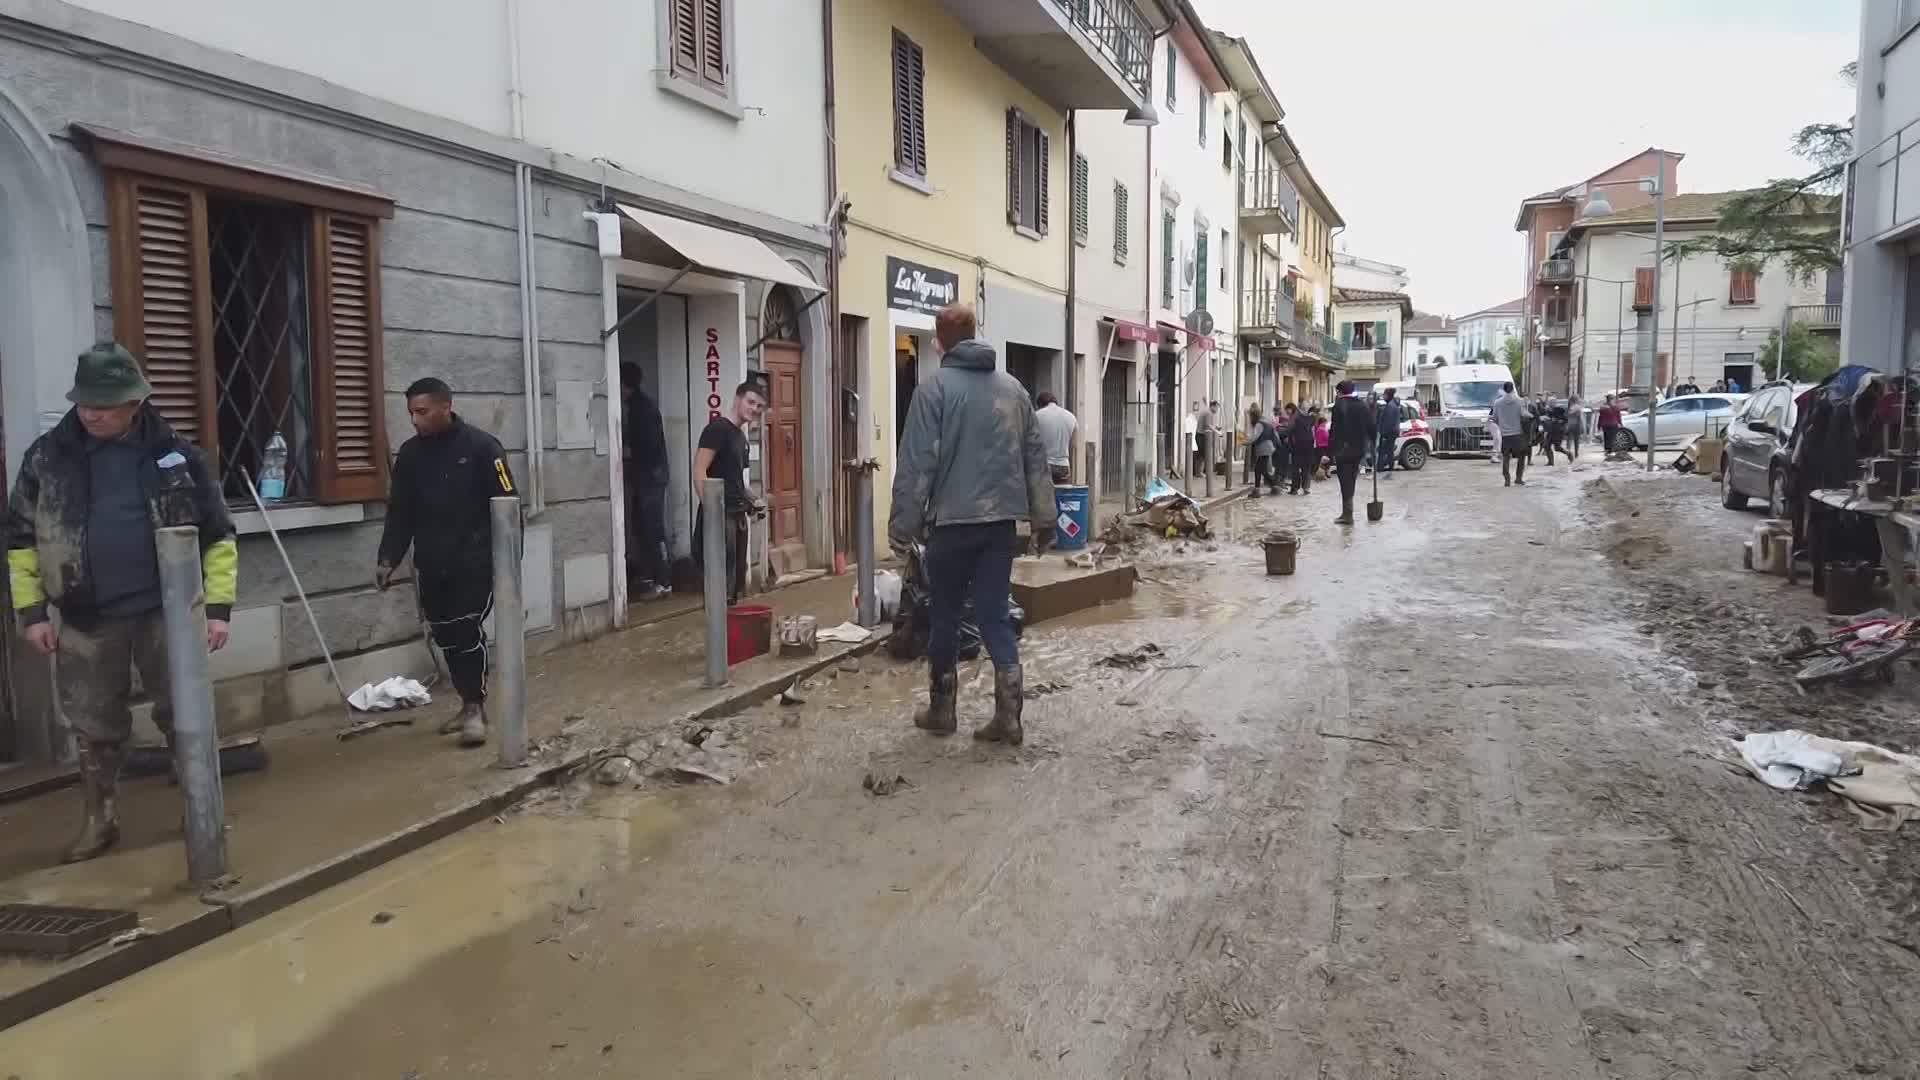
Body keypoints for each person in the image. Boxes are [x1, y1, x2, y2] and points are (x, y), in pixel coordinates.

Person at [7, 343, 237, 863]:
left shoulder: (177, 457)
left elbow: (219, 536)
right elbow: (19, 540)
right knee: (91, 721)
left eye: (105, 404)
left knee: (184, 711)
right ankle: (100, 817)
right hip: (87, 617)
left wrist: (217, 609)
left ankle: (201, 808)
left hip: (168, 615)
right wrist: (33, 613)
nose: (92, 412)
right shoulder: (47, 459)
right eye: (86, 401)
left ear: (136, 402)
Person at [890, 303, 1053, 746]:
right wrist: (1044, 519)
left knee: (943, 613)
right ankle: (1008, 717)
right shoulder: (1014, 390)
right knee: (995, 613)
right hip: (1001, 524)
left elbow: (915, 465)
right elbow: (1034, 458)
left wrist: (901, 530)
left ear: (939, 341)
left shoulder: (933, 390)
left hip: (951, 525)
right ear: (975, 333)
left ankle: (943, 709)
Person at [378, 378, 519, 748]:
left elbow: (508, 506)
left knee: (465, 629)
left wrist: (509, 565)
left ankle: (475, 707)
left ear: (445, 407)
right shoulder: (409, 455)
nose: (415, 420)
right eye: (410, 413)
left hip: (475, 562)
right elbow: (400, 513)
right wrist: (387, 558)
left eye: (422, 412)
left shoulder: (483, 448)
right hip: (432, 561)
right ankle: (466, 702)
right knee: (444, 634)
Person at [693, 381, 768, 607]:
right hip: (720, 514)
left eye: (759, 406)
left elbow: (737, 481)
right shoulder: (717, 429)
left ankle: (729, 628)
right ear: (737, 399)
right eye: (750, 402)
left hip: (738, 514)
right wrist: (712, 511)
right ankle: (716, 633)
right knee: (719, 575)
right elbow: (699, 470)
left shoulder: (741, 438)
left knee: (735, 578)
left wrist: (753, 499)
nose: (754, 409)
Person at [621, 363, 671, 599]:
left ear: (624, 385)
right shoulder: (639, 406)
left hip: (651, 476)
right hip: (648, 475)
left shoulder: (642, 409)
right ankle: (650, 576)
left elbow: (647, 446)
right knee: (641, 525)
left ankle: (663, 581)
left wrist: (630, 460)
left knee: (653, 527)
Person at [1328, 380, 1375, 523]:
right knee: (1352, 479)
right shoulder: (1362, 405)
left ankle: (1347, 514)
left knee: (1345, 481)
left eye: (1337, 391)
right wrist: (1373, 441)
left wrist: (1330, 451)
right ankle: (1348, 512)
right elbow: (1371, 426)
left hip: (1343, 450)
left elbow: (1334, 430)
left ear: (1341, 392)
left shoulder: (1339, 406)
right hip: (1359, 450)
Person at [1490, 381, 1533, 487]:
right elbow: (1524, 415)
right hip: (1518, 434)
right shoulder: (1520, 401)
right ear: (1513, 389)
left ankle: (1507, 479)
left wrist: (1502, 425)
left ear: (1504, 390)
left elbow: (1494, 418)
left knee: (1506, 457)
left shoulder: (1497, 403)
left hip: (1505, 435)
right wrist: (1532, 416)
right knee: (1522, 456)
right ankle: (1518, 478)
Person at [1033, 391, 1078, 484]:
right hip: (1063, 466)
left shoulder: (1036, 416)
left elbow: (1031, 443)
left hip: (1042, 465)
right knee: (1061, 497)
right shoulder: (1071, 417)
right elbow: (1074, 445)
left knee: (1043, 497)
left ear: (1040, 404)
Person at [1245, 405, 1278, 497]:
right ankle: (1274, 486)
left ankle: (1258, 490)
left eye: (1250, 416)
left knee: (1259, 469)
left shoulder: (1259, 424)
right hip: (1268, 447)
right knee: (1262, 469)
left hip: (1263, 448)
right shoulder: (1266, 422)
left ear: (1253, 415)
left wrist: (1245, 442)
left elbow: (1255, 436)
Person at [1374, 387, 1402, 478]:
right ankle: (1388, 467)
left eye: (1384, 394)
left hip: (1389, 433)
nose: (1383, 396)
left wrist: (1384, 433)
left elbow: (1388, 422)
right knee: (1389, 451)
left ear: (1388, 395)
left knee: (1386, 451)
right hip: (1392, 432)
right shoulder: (1392, 405)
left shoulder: (1390, 406)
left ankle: (1385, 468)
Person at [1289, 403, 1317, 494]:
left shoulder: (1296, 418)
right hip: (1309, 446)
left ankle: (1295, 488)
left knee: (1295, 468)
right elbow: (1313, 431)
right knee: (1306, 467)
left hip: (1298, 446)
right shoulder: (1312, 419)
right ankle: (1306, 487)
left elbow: (1290, 430)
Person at [1313, 410, 1332, 480]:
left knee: (1320, 462)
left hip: (1319, 446)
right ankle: (1323, 474)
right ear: (1323, 422)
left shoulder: (1318, 428)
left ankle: (1322, 474)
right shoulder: (1322, 429)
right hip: (1323, 446)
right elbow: (1327, 438)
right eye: (1325, 422)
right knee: (1324, 462)